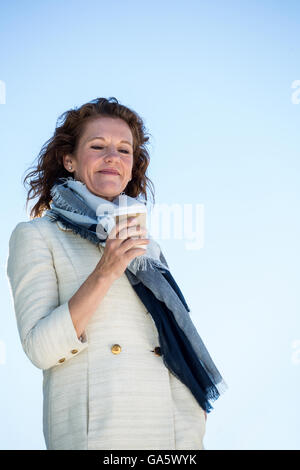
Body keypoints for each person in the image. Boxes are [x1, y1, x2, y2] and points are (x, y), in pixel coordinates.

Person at [6, 97, 225, 451]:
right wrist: (105, 272)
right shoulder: (36, 236)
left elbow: (172, 343)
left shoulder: (147, 246)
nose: (113, 157)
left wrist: (192, 415)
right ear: (70, 160)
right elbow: (40, 348)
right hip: (100, 432)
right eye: (98, 146)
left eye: (125, 150)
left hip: (174, 433)